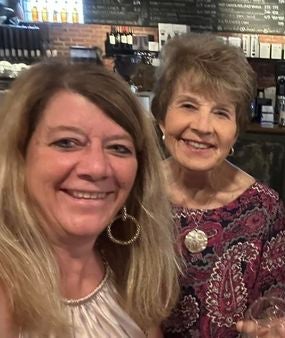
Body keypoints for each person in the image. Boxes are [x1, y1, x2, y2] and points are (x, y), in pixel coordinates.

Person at [0, 61, 180, 336]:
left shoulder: (132, 275)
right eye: (67, 142)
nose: (96, 168)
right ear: (20, 156)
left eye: (119, 148)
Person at [152, 33, 285, 338]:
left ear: (236, 130)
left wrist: (272, 328)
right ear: (162, 116)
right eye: (188, 105)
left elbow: (276, 303)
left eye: (221, 112)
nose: (203, 127)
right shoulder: (132, 194)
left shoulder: (264, 207)